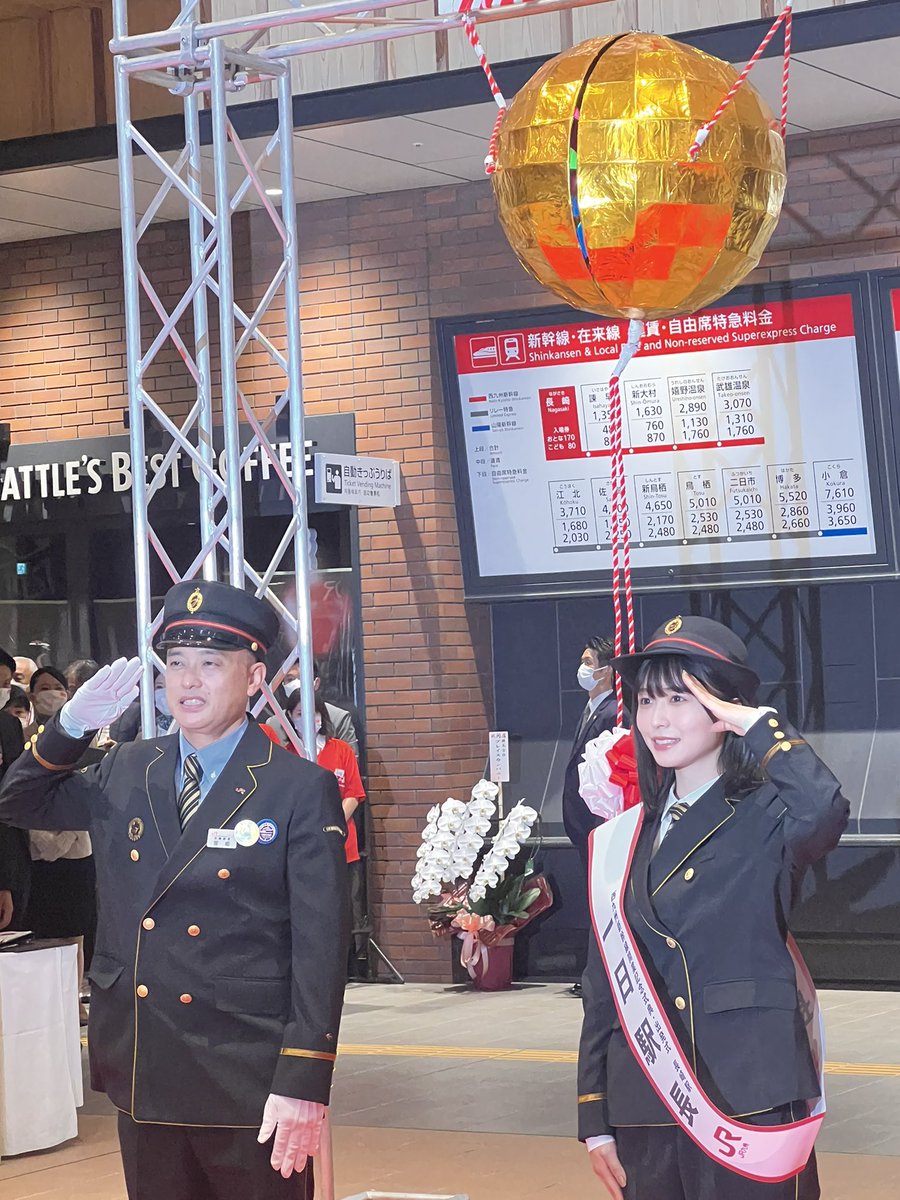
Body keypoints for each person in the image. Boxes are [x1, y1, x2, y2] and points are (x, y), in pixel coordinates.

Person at [0, 580, 350, 1200]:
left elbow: (321, 947)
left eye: (211, 664)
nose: (188, 682)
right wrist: (71, 725)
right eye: (176, 664)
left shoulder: (296, 788)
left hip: (246, 1071)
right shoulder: (130, 766)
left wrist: (305, 1079)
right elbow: (19, 800)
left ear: (253, 677)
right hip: (146, 1060)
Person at [578, 615, 849, 1200]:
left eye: (681, 697)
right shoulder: (623, 837)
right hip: (646, 1101)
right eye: (647, 700)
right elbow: (605, 983)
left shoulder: (768, 815)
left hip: (749, 1094)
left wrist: (754, 723)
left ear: (723, 710)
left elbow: (824, 809)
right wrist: (594, 1117)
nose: (657, 719)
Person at [563, 635, 621, 874]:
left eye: (588, 663)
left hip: (600, 819)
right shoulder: (591, 709)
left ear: (605, 671)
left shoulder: (614, 712)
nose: (582, 669)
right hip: (583, 821)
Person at [0, 647, 28, 931]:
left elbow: (11, 799)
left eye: (6, 684)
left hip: (8, 851)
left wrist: (6, 881)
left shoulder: (8, 726)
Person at [284, 660, 359, 756]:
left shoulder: (339, 718)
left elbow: (351, 761)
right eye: (290, 680)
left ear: (316, 683)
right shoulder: (274, 724)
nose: (295, 684)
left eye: (302, 678)